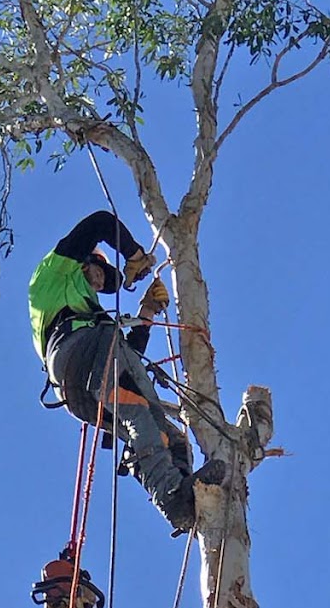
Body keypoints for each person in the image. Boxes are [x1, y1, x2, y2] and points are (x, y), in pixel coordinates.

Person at [29, 211, 222, 534]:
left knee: (169, 436)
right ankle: (172, 496)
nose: (103, 279)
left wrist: (146, 312)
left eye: (106, 276)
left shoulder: (88, 310)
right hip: (81, 351)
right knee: (141, 411)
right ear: (83, 261)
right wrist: (134, 255)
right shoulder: (53, 273)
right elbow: (101, 222)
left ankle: (185, 493)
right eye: (99, 269)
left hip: (80, 391)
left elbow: (128, 360)